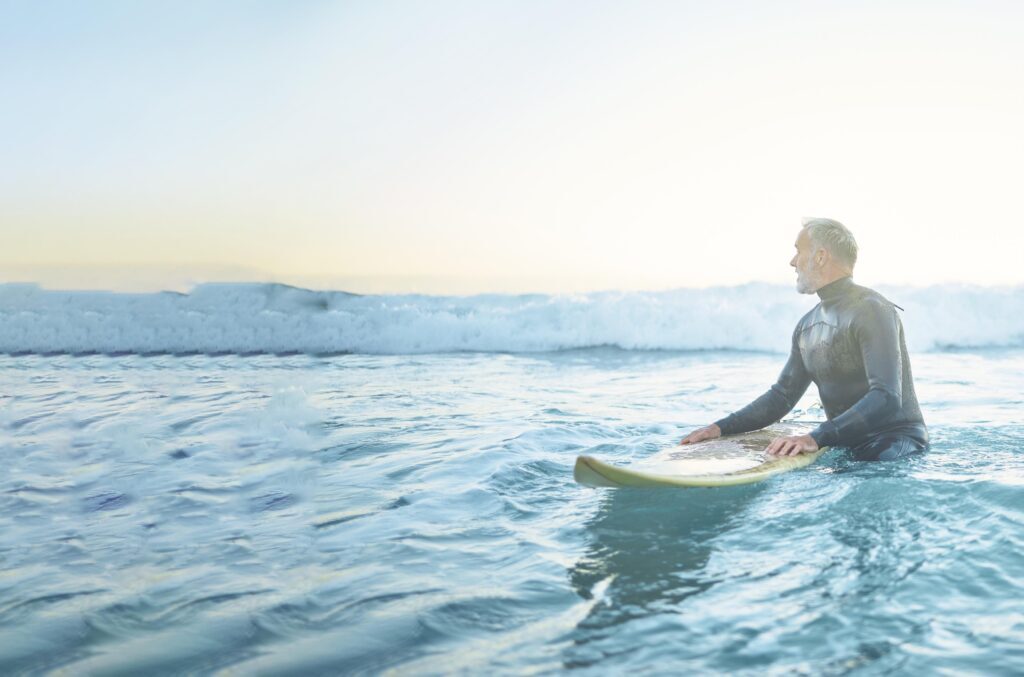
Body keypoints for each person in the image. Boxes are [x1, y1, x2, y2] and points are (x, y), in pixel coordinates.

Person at [679, 218, 928, 462]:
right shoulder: (806, 326)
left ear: (820, 256)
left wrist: (815, 437)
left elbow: (886, 396)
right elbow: (782, 396)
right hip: (842, 445)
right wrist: (720, 428)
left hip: (893, 443)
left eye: (798, 251)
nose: (792, 262)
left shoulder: (872, 310)